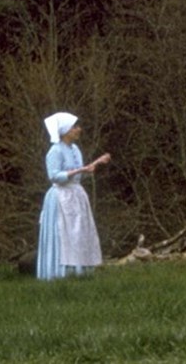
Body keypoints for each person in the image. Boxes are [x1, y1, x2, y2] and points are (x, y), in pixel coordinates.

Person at [37, 111, 111, 280]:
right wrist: (80, 170)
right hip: (60, 197)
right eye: (74, 127)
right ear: (65, 130)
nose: (79, 129)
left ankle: (80, 273)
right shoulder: (55, 151)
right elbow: (54, 176)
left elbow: (78, 174)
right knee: (63, 234)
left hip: (76, 195)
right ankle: (57, 274)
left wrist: (94, 164)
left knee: (78, 234)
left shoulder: (75, 149)